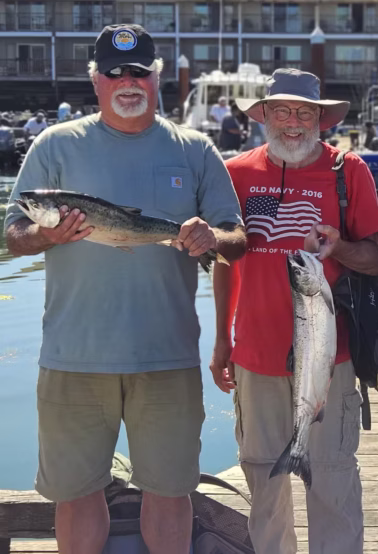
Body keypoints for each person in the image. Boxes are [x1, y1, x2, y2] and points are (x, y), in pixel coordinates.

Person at [3, 23, 247, 554]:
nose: (128, 81)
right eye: (115, 73)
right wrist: (46, 235)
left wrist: (212, 236)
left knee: (171, 492)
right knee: (75, 495)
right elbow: (15, 234)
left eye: (139, 71)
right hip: (72, 356)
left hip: (168, 356)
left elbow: (237, 239)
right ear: (96, 80)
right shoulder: (54, 144)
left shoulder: (195, 148)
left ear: (157, 77)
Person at [209, 68, 378, 554]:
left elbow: (375, 258)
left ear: (320, 119)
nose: (293, 122)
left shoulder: (348, 170)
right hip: (255, 356)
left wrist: (339, 248)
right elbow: (225, 262)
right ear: (264, 115)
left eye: (304, 112)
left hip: (331, 360)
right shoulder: (236, 173)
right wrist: (222, 339)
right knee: (263, 483)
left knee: (332, 481)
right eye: (282, 111)